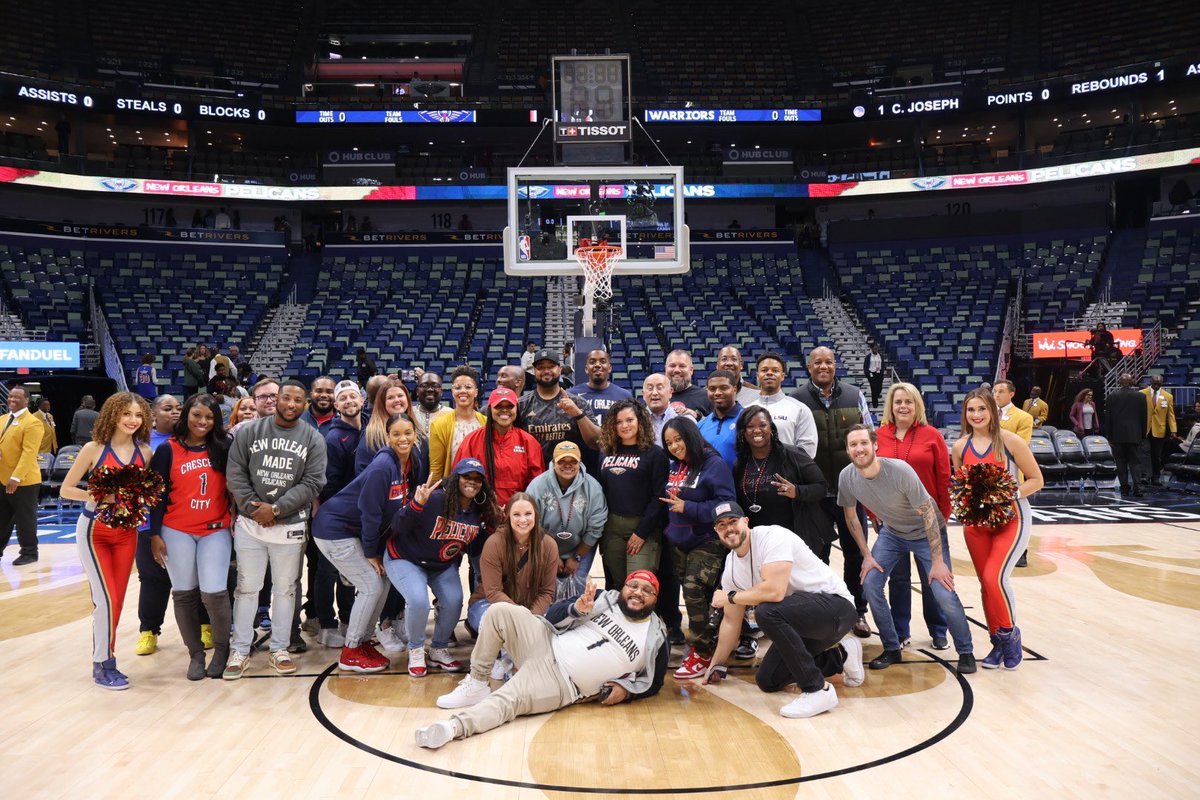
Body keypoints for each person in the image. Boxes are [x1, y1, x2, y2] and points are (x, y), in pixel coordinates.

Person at [415, 571, 668, 749]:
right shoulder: (602, 597)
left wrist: (627, 691)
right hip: (545, 640)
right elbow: (552, 616)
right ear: (623, 587)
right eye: (633, 586)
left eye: (647, 591)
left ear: (655, 600)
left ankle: (452, 729)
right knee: (500, 611)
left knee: (508, 699)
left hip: (561, 682)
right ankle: (478, 682)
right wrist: (577, 609)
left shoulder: (656, 637)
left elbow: (654, 683)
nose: (638, 593)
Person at [701, 502, 864, 718]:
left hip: (836, 609)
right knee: (768, 679)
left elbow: (775, 592)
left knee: (767, 611)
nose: (729, 528)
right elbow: (731, 621)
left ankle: (816, 690)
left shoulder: (772, 537)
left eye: (733, 521)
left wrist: (729, 596)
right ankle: (842, 655)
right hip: (802, 624)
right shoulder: (731, 568)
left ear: (746, 521)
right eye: (722, 525)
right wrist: (716, 664)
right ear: (716, 531)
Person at [839, 425, 977, 674]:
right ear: (848, 450)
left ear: (875, 445)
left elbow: (928, 515)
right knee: (870, 585)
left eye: (863, 443)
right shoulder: (847, 477)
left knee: (942, 591)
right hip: (893, 533)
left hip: (927, 532)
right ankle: (892, 647)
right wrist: (867, 556)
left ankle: (965, 651)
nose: (859, 449)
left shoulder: (899, 471)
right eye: (853, 445)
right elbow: (851, 518)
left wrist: (937, 560)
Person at [223, 381, 327, 679]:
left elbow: (313, 483)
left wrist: (277, 509)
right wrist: (254, 508)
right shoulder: (249, 432)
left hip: (290, 526)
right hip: (251, 523)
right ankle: (240, 649)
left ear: (304, 403)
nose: (291, 404)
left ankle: (279, 648)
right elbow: (236, 472)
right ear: (275, 400)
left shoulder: (313, 438)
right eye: (286, 398)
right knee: (247, 588)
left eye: (298, 399)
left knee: (285, 590)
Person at [314, 412, 427, 673]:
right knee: (370, 585)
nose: (403, 438)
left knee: (382, 582)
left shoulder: (412, 461)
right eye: (396, 434)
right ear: (387, 437)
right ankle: (351, 650)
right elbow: (370, 512)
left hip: (351, 529)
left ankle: (363, 640)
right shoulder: (382, 467)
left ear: (415, 435)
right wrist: (371, 553)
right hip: (334, 529)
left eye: (408, 433)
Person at [59, 393, 155, 688]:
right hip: (94, 531)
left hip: (127, 533)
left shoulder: (145, 452)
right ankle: (103, 664)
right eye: (126, 414)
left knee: (117, 600)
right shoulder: (93, 449)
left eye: (138, 415)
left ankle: (106, 658)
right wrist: (101, 495)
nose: (132, 420)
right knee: (106, 601)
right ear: (112, 415)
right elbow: (66, 489)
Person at [951, 390, 1044, 669]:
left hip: (1011, 519)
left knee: (994, 578)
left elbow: (1037, 480)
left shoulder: (1010, 441)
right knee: (986, 586)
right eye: (971, 410)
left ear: (992, 410)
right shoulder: (959, 447)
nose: (976, 415)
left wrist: (1006, 494)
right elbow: (961, 485)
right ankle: (997, 642)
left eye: (981, 408)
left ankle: (1009, 634)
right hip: (977, 524)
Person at [385, 458, 498, 676]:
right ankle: (416, 650)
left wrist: (497, 525)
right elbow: (397, 526)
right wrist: (415, 505)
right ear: (456, 479)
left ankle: (438, 649)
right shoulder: (435, 499)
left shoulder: (478, 510)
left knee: (454, 600)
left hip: (440, 565)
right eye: (467, 476)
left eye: (477, 479)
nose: (472, 482)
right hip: (406, 558)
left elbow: (475, 547)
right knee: (418, 600)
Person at [148, 394, 233, 680]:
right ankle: (195, 654)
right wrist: (154, 534)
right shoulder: (167, 450)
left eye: (209, 417)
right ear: (186, 415)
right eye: (197, 415)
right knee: (184, 593)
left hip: (215, 529)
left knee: (215, 593)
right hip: (176, 530)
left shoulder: (224, 446)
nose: (203, 422)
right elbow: (157, 497)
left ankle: (221, 650)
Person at [792, 346, 872, 636]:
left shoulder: (855, 395)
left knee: (856, 555)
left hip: (851, 491)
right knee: (815, 556)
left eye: (829, 361)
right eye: (817, 362)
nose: (823, 366)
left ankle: (857, 611)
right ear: (809, 367)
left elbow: (869, 441)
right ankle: (820, 610)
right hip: (814, 495)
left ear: (835, 365)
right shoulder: (796, 400)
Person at [660, 416, 736, 679]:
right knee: (696, 598)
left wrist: (688, 507)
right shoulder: (675, 465)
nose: (674, 446)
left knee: (693, 591)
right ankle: (712, 646)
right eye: (669, 442)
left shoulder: (714, 464)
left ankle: (702, 652)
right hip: (680, 541)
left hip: (707, 540)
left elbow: (727, 505)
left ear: (691, 436)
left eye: (678, 439)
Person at [875, 383, 950, 650]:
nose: (903, 406)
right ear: (890, 407)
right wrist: (874, 512)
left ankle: (939, 630)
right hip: (893, 521)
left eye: (908, 401)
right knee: (898, 579)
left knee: (934, 578)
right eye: (898, 402)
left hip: (927, 521)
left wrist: (943, 515)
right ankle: (900, 629)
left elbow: (943, 478)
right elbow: (869, 476)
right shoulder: (879, 436)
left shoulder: (932, 436)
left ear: (917, 405)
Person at [732, 406, 830, 554]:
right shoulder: (740, 463)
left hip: (796, 539)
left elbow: (821, 487)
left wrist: (797, 491)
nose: (757, 430)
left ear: (771, 428)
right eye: (750, 426)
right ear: (743, 432)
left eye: (762, 425)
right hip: (759, 543)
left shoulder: (793, 454)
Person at [465, 491, 559, 643]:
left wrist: (532, 617)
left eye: (528, 513)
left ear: (536, 515)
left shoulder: (548, 545)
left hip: (530, 606)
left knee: (550, 630)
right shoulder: (494, 543)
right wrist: (522, 618)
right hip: (489, 604)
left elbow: (546, 591)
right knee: (505, 628)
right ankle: (501, 663)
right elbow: (493, 592)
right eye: (516, 514)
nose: (523, 520)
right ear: (508, 517)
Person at [313, 380, 365, 647]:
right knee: (329, 572)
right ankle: (326, 624)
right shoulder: (334, 437)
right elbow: (328, 482)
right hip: (336, 513)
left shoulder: (369, 428)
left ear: (362, 400)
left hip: (359, 514)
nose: (349, 401)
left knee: (350, 572)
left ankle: (347, 619)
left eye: (352, 396)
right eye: (343, 398)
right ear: (336, 405)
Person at [134, 394, 185, 657]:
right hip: (146, 523)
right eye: (168, 408)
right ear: (153, 414)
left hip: (184, 523)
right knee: (153, 579)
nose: (175, 412)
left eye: (179, 408)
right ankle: (149, 631)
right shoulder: (141, 445)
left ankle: (203, 625)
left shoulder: (192, 440)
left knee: (192, 580)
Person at [597, 399, 668, 585]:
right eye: (618, 422)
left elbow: (660, 497)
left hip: (644, 527)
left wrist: (642, 532)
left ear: (640, 421)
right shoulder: (606, 452)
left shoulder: (655, 454)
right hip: (612, 528)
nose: (624, 426)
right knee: (620, 586)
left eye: (629, 420)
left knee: (638, 584)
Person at [527, 441, 608, 598]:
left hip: (581, 547)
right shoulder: (537, 486)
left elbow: (596, 527)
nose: (567, 465)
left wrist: (577, 557)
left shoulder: (593, 487)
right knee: (546, 590)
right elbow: (532, 525)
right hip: (545, 547)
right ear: (553, 463)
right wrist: (552, 556)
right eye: (562, 461)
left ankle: (575, 619)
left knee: (577, 587)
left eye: (573, 461)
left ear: (580, 462)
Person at [455, 387, 543, 510]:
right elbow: (458, 479)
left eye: (509, 406)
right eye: (498, 406)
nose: (504, 410)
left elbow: (536, 485)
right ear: (490, 409)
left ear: (517, 409)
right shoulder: (472, 440)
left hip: (517, 516)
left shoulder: (529, 442)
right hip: (479, 513)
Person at [517, 348, 600, 464]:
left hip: (569, 475)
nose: (546, 371)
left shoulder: (578, 403)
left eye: (551, 366)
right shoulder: (521, 404)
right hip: (533, 476)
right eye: (540, 367)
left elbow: (597, 442)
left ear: (560, 370)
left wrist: (578, 414)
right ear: (534, 371)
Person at [0, 386, 43, 566]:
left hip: (24, 480)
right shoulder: (2, 419)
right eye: (10, 396)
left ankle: (29, 552)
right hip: (2, 477)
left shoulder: (33, 422)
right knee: (2, 518)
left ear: (26, 400)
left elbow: (29, 453)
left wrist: (16, 477)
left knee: (25, 518)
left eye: (17, 397)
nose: (12, 400)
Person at [748, 352, 818, 455]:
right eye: (764, 370)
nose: (769, 373)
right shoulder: (746, 410)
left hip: (788, 470)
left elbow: (808, 450)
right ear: (758, 376)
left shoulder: (800, 409)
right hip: (754, 470)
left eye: (775, 370)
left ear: (783, 376)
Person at [429, 366, 486, 479]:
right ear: (452, 391)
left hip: (481, 486)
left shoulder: (486, 423)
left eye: (468, 387)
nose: (463, 391)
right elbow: (436, 468)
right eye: (458, 387)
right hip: (451, 489)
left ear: (476, 392)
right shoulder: (439, 425)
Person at [357, 378, 416, 474]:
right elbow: (364, 475)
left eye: (400, 395)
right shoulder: (371, 437)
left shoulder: (418, 431)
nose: (397, 400)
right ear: (382, 403)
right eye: (390, 398)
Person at [1106, 373, 1148, 497]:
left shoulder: (1112, 396)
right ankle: (1138, 488)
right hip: (1134, 435)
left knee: (1120, 463)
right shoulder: (1141, 396)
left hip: (1117, 436)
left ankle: (1124, 488)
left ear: (1119, 382)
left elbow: (1108, 419)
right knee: (1135, 462)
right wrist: (1142, 435)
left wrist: (1109, 436)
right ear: (1131, 382)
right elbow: (1144, 418)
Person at [697, 369, 743, 469]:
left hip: (739, 483)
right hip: (708, 483)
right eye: (712, 389)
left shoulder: (747, 419)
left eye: (724, 388)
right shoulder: (701, 425)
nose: (717, 393)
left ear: (734, 389)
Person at [572, 349, 632, 425]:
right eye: (592, 362)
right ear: (586, 369)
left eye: (603, 361)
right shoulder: (572, 395)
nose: (597, 365)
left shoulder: (625, 396)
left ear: (610, 368)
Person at [1142, 375, 1177, 485]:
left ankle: (1156, 476)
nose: (1156, 386)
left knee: (1157, 455)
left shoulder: (1168, 396)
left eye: (1159, 384)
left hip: (1159, 430)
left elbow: (1171, 415)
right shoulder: (1142, 393)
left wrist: (1173, 430)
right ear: (1150, 382)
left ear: (1162, 383)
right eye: (1154, 384)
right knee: (1145, 454)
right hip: (1144, 429)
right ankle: (1145, 476)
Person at [665, 349, 712, 417]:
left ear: (691, 370)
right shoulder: (658, 398)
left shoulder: (707, 397)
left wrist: (697, 416)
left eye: (682, 366)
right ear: (666, 369)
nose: (677, 370)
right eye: (672, 366)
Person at [641, 373, 677, 445]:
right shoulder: (635, 420)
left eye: (660, 388)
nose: (654, 393)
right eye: (650, 389)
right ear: (643, 394)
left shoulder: (683, 418)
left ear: (670, 392)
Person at [412, 371, 448, 439]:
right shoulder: (409, 413)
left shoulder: (451, 414)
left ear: (441, 391)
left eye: (435, 386)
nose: (430, 389)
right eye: (424, 386)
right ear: (417, 391)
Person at [864, 343, 886, 408]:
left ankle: (875, 398)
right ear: (872, 349)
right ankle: (875, 404)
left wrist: (882, 372)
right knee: (873, 388)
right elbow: (866, 366)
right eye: (874, 349)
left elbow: (883, 364)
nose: (875, 350)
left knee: (879, 388)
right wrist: (867, 373)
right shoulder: (868, 357)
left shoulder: (880, 356)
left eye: (876, 348)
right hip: (871, 373)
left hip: (879, 373)